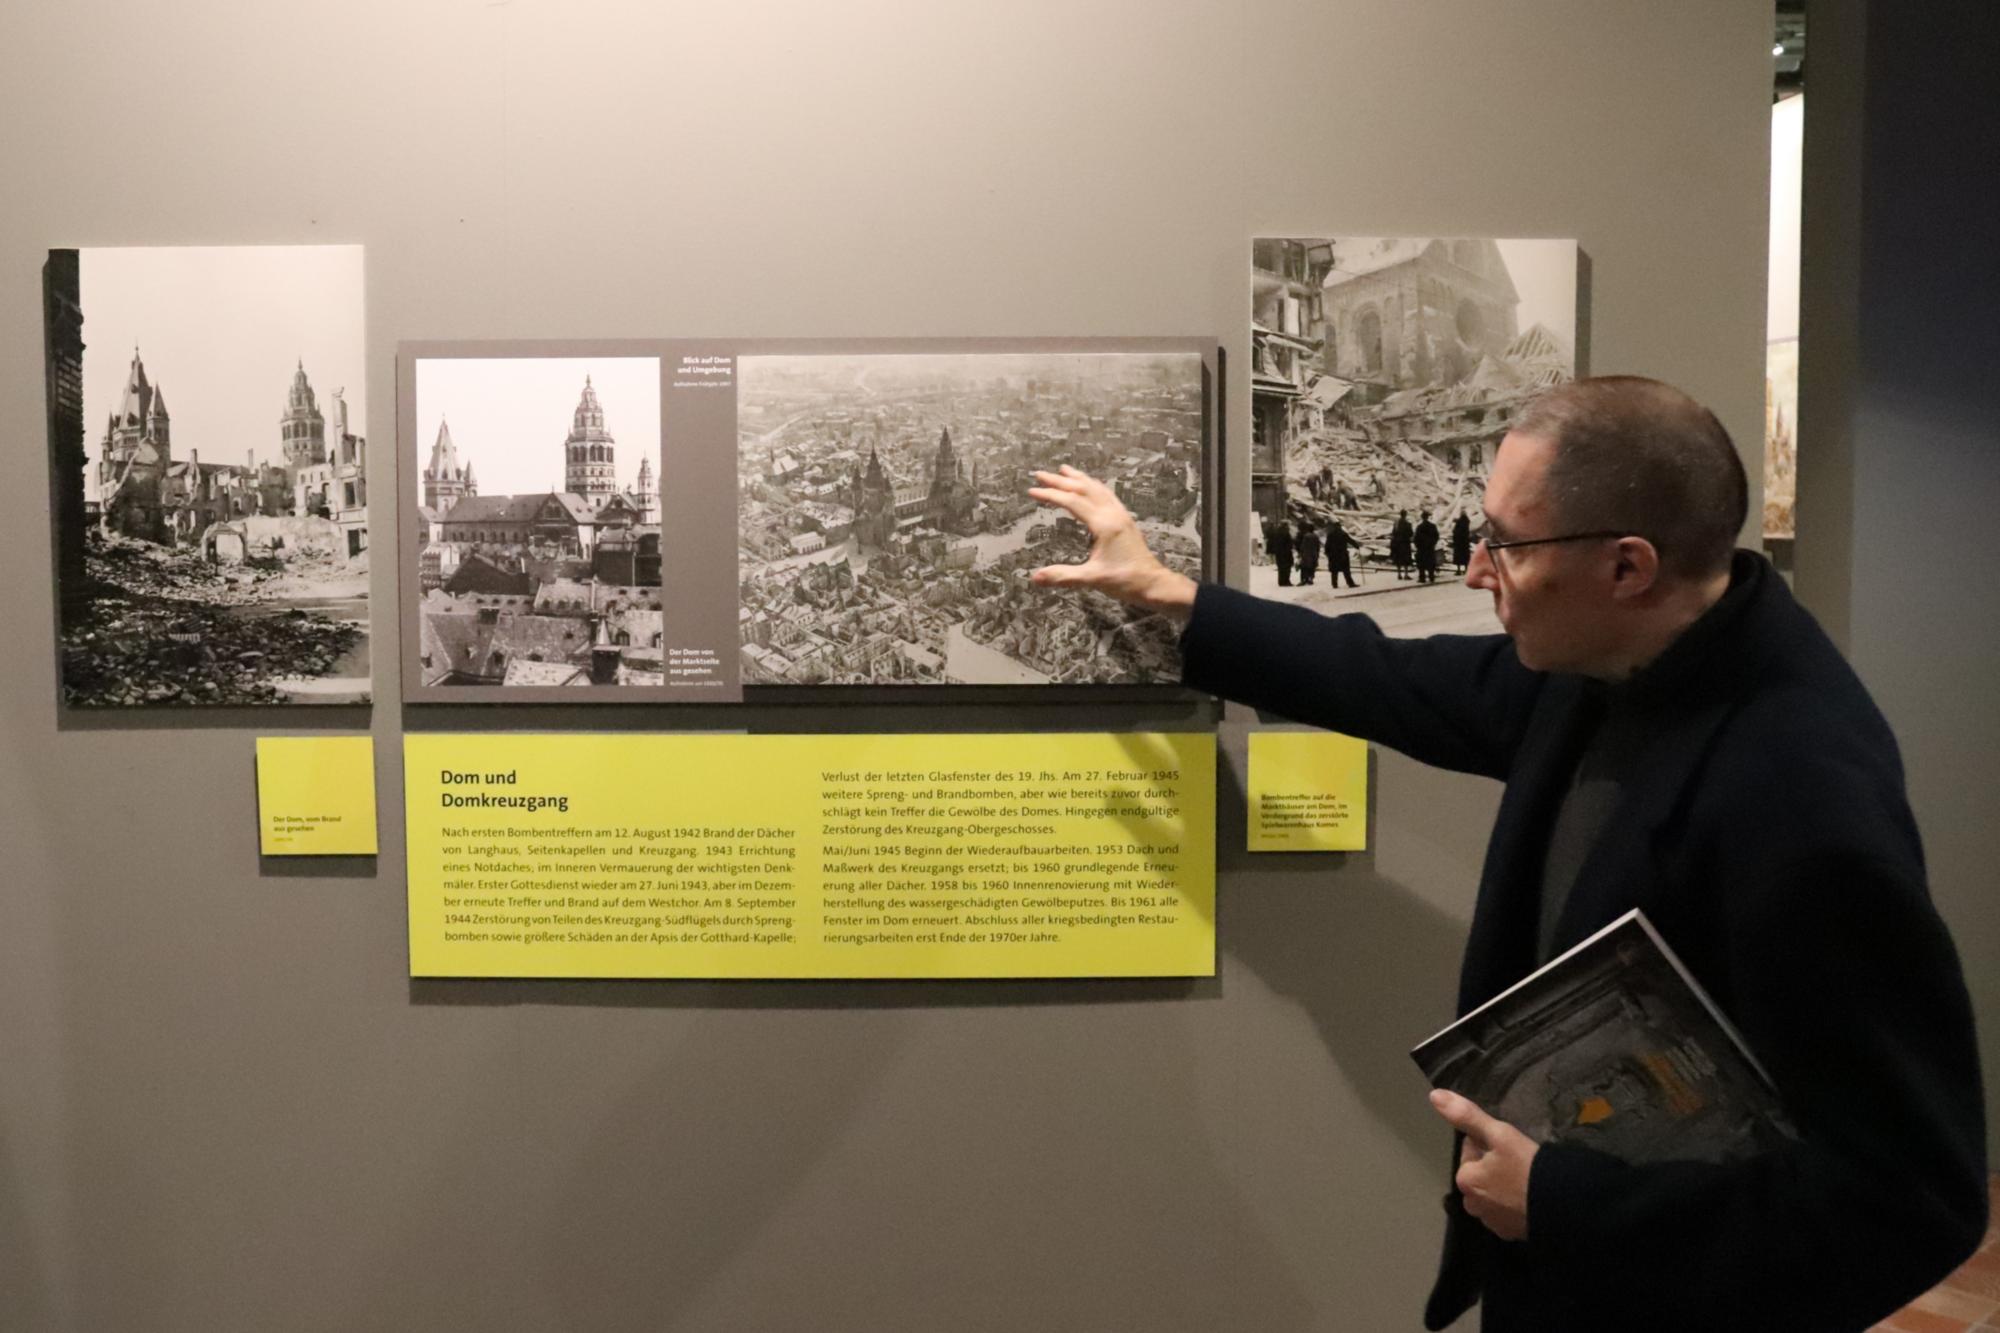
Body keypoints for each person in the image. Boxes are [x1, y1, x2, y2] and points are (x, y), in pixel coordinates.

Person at [1026, 376, 1987, 1332]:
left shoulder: (1799, 793)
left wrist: (1566, 1202)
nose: (1479, 570)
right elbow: (1388, 677)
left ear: (1627, 567)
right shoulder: (1624, 660)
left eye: (1507, 544)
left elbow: (1908, 1204)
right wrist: (1170, 594)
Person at [1324, 516, 1362, 589]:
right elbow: (1350, 540)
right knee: (1346, 570)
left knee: (1334, 571)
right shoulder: (1343, 534)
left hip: (1333, 555)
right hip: (1342, 554)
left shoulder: (1330, 534)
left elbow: (1327, 544)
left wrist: (1327, 552)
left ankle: (1334, 584)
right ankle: (1350, 583)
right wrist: (1357, 546)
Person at [1264, 511, 1294, 587]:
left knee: (1281, 568)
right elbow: (1288, 543)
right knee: (1286, 568)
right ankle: (1286, 581)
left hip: (1279, 553)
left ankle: (1281, 581)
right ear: (1286, 525)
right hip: (1286, 553)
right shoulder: (1285, 532)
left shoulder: (1277, 531)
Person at [1414, 509, 1441, 584]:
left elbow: (1416, 538)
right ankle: (1431, 577)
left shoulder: (1419, 527)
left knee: (1421, 563)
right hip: (1430, 547)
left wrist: (1418, 546)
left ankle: (1422, 578)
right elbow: (1436, 536)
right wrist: (1433, 543)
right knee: (1430, 562)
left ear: (1422, 517)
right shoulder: (1432, 526)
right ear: (1428, 517)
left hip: (1422, 548)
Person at [1295, 517, 1322, 586]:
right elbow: (1318, 545)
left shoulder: (1306, 536)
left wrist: (1300, 553)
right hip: (1314, 553)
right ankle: (1311, 578)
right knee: (1312, 566)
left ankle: (1304, 579)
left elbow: (1303, 546)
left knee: (1304, 567)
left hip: (1306, 554)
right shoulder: (1316, 536)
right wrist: (1317, 552)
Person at [1391, 509, 1415, 580]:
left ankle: (1399, 574)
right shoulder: (1408, 524)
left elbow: (1393, 533)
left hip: (1396, 543)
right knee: (1406, 559)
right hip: (1404, 543)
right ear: (1405, 515)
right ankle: (1406, 574)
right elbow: (1411, 534)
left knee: (1398, 559)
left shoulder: (1396, 523)